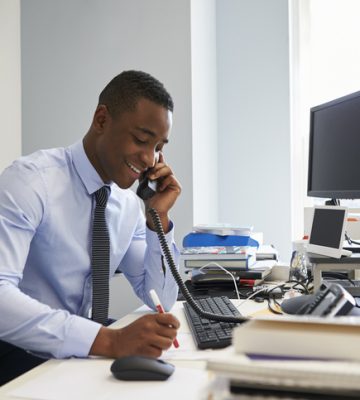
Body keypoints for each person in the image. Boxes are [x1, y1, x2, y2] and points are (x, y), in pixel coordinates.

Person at [0, 70, 181, 384]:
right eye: (141, 140)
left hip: (78, 347)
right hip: (17, 351)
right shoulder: (30, 182)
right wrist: (110, 341)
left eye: (158, 147)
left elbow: (160, 298)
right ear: (101, 120)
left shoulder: (126, 206)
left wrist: (158, 222)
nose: (150, 159)